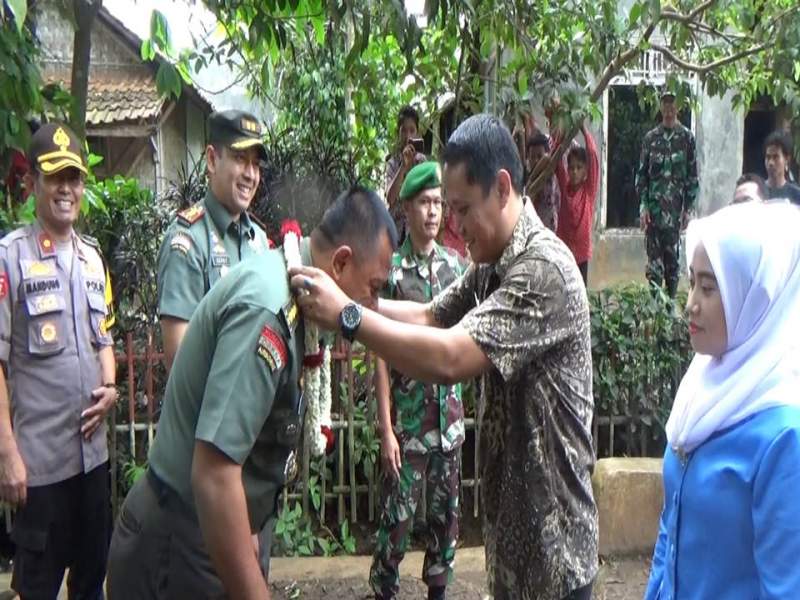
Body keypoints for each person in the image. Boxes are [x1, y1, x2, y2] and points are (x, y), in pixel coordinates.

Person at [290, 114, 598, 600]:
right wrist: (356, 293)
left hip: (555, 556)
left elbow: (451, 356)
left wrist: (349, 315)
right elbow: (432, 316)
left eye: (460, 208)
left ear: (501, 189)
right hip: (515, 546)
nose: (453, 224)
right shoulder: (493, 264)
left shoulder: (543, 272)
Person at [107, 187, 398, 600]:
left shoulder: (295, 292)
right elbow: (214, 475)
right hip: (181, 547)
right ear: (341, 262)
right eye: (373, 286)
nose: (372, 303)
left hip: (217, 533)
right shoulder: (267, 313)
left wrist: (251, 524)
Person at [645, 201, 800, 599]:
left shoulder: (783, 437)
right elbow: (670, 528)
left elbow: (785, 587)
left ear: (755, 296)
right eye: (692, 282)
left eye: (710, 288)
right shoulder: (701, 388)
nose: (691, 303)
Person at [0, 122, 117, 599]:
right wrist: (7, 455)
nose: (66, 188)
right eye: (55, 177)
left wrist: (110, 388)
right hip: (40, 468)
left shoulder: (93, 259)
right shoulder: (10, 258)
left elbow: (103, 337)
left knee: (90, 584)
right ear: (34, 185)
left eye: (74, 178)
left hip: (94, 464)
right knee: (39, 589)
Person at [370, 162, 467, 600]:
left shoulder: (457, 267)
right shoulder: (390, 274)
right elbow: (380, 355)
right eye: (424, 203)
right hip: (409, 426)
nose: (433, 212)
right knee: (398, 521)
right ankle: (384, 590)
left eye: (438, 203)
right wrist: (387, 429)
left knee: (446, 522)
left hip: (449, 423)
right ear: (406, 208)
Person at [157, 109, 272, 372]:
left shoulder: (259, 240)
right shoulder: (187, 242)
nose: (250, 174)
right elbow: (180, 359)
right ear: (211, 159)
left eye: (256, 164)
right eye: (240, 158)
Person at [636, 91, 699, 298]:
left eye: (673, 104)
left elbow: (692, 177)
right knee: (654, 268)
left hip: (674, 215)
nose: (669, 109)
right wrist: (643, 207)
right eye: (665, 104)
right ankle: (655, 312)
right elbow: (642, 176)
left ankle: (670, 309)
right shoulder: (650, 139)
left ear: (678, 107)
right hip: (653, 215)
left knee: (673, 267)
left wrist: (688, 210)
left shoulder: (687, 138)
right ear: (660, 107)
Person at [554, 122, 599, 285]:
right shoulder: (564, 187)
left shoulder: (589, 190)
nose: (574, 172)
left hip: (581, 253)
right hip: (564, 251)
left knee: (580, 289)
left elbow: (593, 155)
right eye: (571, 167)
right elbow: (556, 160)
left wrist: (583, 129)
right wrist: (561, 134)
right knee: (564, 288)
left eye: (579, 167)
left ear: (586, 171)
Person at [384, 106, 426, 241]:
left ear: (417, 133)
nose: (408, 136)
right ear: (398, 133)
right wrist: (403, 167)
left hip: (416, 230)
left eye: (412, 130)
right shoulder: (392, 162)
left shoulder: (422, 162)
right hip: (395, 232)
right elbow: (390, 198)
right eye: (404, 131)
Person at [525, 132, 561, 232]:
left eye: (539, 156)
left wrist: (531, 179)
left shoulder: (549, 175)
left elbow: (546, 159)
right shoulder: (528, 177)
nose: (536, 161)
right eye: (532, 157)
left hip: (548, 229)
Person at [763, 130, 800, 205]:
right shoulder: (757, 192)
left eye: (776, 157)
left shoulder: (796, 195)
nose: (771, 163)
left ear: (787, 159)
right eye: (768, 157)